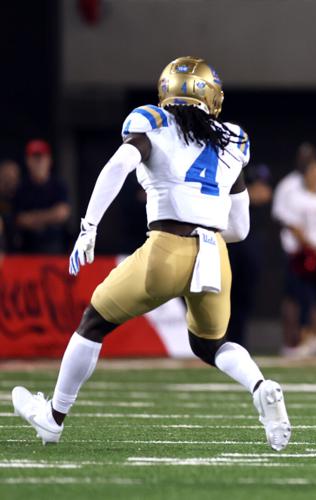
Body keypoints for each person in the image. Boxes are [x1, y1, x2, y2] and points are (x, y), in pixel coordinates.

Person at [11, 56, 291, 450]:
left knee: (94, 321)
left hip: (165, 247)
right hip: (214, 254)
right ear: (212, 97)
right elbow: (240, 228)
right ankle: (261, 386)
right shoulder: (231, 140)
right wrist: (203, 229)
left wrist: (89, 227)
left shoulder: (153, 124)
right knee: (210, 344)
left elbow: (118, 164)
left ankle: (52, 418)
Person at [272, 147, 316, 357]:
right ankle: (297, 339)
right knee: (301, 297)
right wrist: (311, 248)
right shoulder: (293, 190)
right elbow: (289, 222)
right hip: (301, 254)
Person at [227, 163, 273, 347]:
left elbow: (264, 195)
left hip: (252, 249)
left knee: (244, 300)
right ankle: (217, 342)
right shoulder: (235, 183)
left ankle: (237, 344)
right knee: (225, 296)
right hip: (232, 247)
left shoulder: (264, 210)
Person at [13, 140, 71, 254]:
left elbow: (62, 213)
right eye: (35, 158)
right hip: (28, 249)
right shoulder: (21, 188)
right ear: (27, 161)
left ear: (49, 160)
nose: (38, 162)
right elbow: (20, 219)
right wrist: (50, 216)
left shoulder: (58, 185)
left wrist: (34, 218)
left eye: (41, 158)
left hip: (56, 247)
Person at [0, 159, 21, 252]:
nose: (10, 182)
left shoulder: (22, 199)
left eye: (13, 177)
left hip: (23, 250)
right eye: (6, 177)